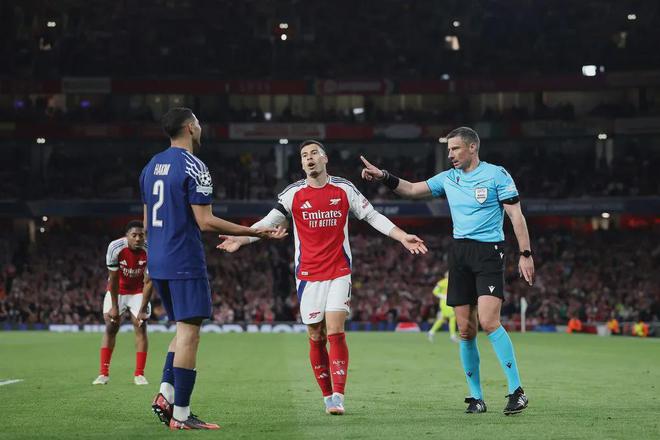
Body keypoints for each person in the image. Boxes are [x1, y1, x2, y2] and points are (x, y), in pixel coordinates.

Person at [217, 140, 427, 416]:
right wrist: (241, 239)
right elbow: (267, 223)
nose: (309, 158)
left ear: (325, 158)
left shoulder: (344, 188)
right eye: (304, 155)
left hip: (339, 270)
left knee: (335, 330)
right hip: (308, 275)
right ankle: (327, 396)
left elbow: (372, 216)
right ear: (301, 163)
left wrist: (402, 237)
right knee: (316, 335)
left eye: (314, 153)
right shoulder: (292, 194)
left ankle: (338, 396)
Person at [360, 126, 534, 415]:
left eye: (455, 148)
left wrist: (525, 254)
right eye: (449, 149)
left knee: (489, 322)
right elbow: (412, 189)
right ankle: (476, 397)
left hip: (489, 253)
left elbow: (516, 216)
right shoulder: (448, 178)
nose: (450, 154)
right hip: (459, 253)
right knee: (465, 330)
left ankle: (517, 391)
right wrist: (384, 176)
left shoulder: (497, 175)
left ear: (472, 148)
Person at [142, 107, 286, 430]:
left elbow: (146, 220)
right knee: (190, 335)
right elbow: (205, 221)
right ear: (190, 128)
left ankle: (165, 394)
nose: (201, 127)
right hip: (183, 260)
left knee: (182, 329)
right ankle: (181, 415)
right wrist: (254, 231)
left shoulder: (150, 166)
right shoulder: (195, 166)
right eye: (198, 123)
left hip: (159, 260)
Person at [92, 220, 153, 386]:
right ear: (127, 236)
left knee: (141, 326)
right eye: (134, 235)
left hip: (139, 291)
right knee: (111, 326)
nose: (138, 238)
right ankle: (103, 374)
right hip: (118, 290)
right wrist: (114, 306)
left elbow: (149, 281)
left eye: (141, 235)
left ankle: (139, 374)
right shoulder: (115, 247)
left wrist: (142, 309)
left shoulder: (151, 249)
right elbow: (113, 278)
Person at [427, 272, 458, 343]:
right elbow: (435, 291)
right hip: (445, 302)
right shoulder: (442, 282)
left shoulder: (453, 282)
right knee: (452, 317)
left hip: (449, 301)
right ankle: (452, 336)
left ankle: (431, 332)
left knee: (442, 319)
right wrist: (443, 296)